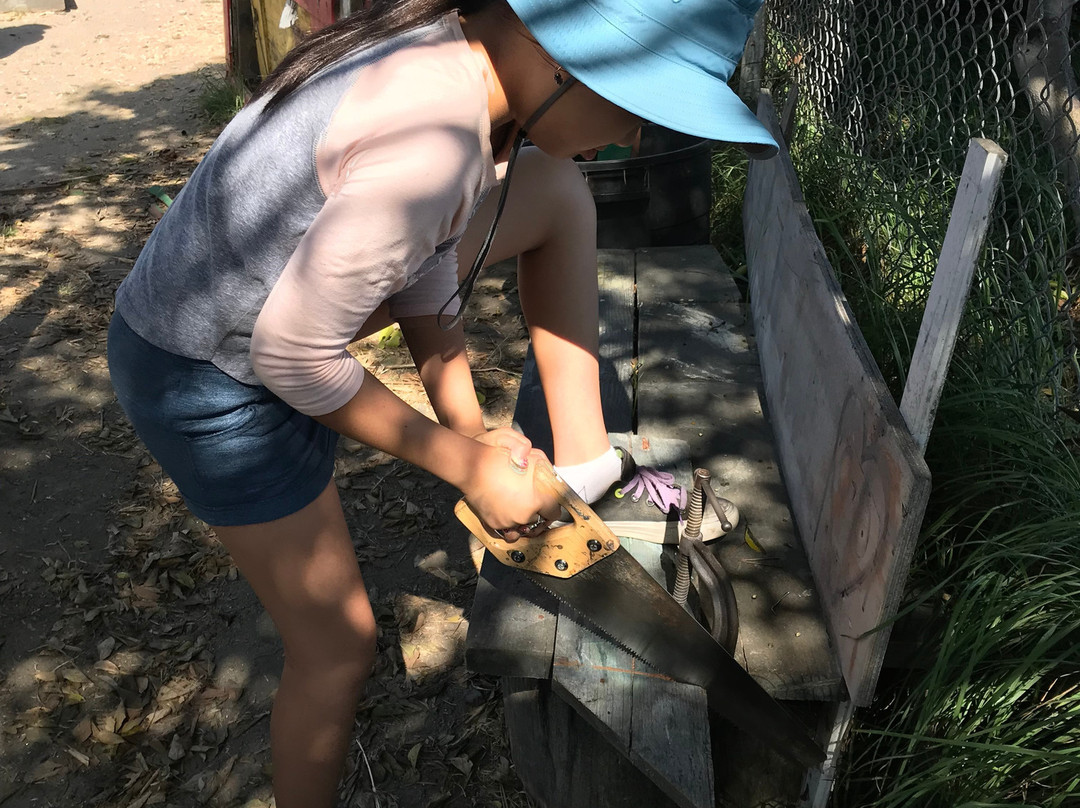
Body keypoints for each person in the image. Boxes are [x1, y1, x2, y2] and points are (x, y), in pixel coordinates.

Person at [106, 0, 777, 805]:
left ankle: (589, 471)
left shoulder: (459, 75)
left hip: (265, 328)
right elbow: (291, 356)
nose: (634, 141)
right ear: (561, 58)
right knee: (338, 648)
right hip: (205, 374)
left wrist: (473, 438)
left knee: (555, 189)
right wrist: (461, 463)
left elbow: (424, 266)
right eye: (636, 111)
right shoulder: (432, 146)